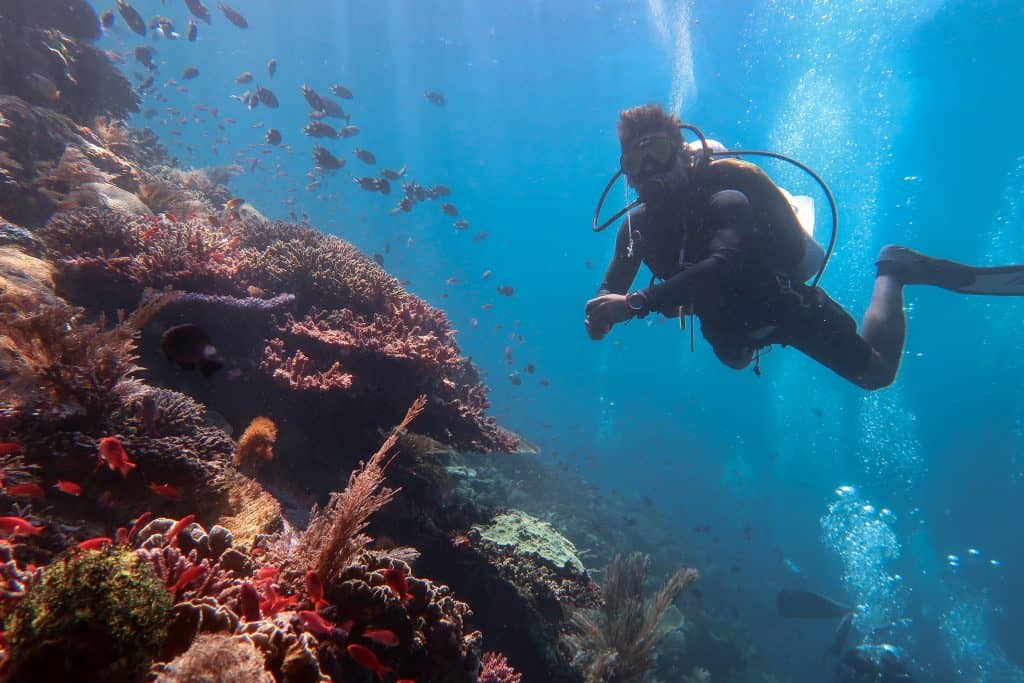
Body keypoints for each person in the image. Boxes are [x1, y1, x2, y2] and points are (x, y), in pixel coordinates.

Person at [585, 104, 1024, 389]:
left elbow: (725, 263)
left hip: (783, 306)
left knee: (876, 374)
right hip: (727, 322)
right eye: (636, 161)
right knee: (735, 360)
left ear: (682, 153)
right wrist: (600, 314)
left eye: (658, 152)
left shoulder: (725, 197)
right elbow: (611, 289)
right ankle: (744, 345)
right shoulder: (636, 228)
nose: (649, 170)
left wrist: (636, 303)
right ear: (626, 173)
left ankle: (894, 269)